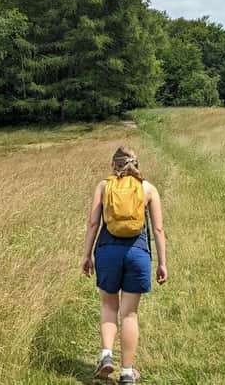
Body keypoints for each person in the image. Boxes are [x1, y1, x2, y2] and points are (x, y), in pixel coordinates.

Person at [81, 147, 167, 384]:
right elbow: (158, 229)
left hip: (107, 252)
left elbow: (92, 223)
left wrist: (87, 255)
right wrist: (162, 262)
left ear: (113, 165)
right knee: (129, 314)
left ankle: (106, 356)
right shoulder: (148, 188)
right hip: (138, 253)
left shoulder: (103, 186)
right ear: (137, 165)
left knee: (109, 307)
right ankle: (127, 373)